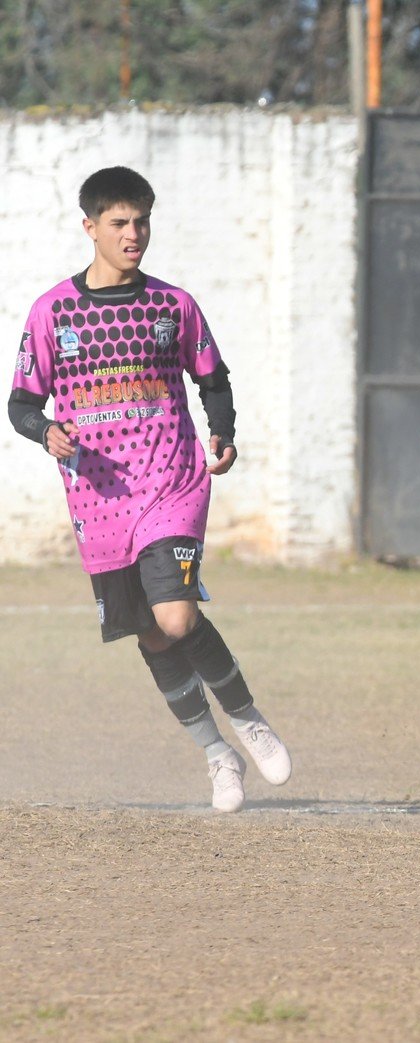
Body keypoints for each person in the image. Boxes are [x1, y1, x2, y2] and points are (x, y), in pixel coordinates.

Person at [8, 166, 291, 813]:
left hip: (172, 481)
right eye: (120, 223)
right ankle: (217, 754)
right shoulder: (53, 312)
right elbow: (21, 402)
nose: (134, 234)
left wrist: (222, 432)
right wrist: (46, 430)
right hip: (98, 501)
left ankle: (247, 717)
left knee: (176, 615)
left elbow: (211, 376)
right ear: (91, 228)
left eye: (142, 221)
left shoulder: (173, 305)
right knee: (154, 636)